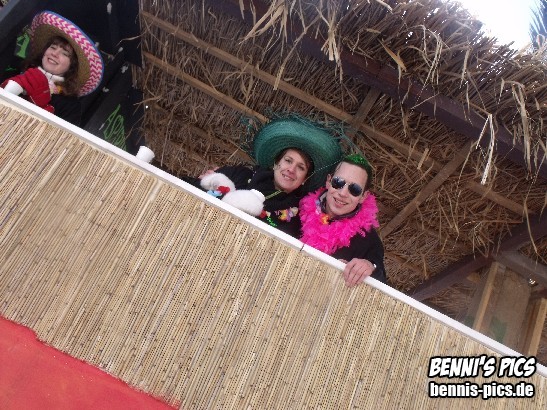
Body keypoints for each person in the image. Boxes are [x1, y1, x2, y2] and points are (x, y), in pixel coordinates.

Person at [188, 115, 343, 237]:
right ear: (276, 163)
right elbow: (188, 188)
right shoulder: (239, 175)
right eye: (288, 161)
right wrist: (220, 194)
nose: (291, 169)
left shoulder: (298, 219)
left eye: (300, 168)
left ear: (305, 179)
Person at [1, 10, 104, 125]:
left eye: (65, 54)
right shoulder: (16, 68)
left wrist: (40, 107)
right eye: (53, 47)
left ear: (72, 66)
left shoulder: (71, 106)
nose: (54, 54)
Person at [298, 154, 386, 285]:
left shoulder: (369, 240)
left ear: (363, 196)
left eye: (354, 189)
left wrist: (369, 266)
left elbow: (381, 280)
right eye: (338, 182)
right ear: (328, 181)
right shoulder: (298, 209)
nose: (343, 193)